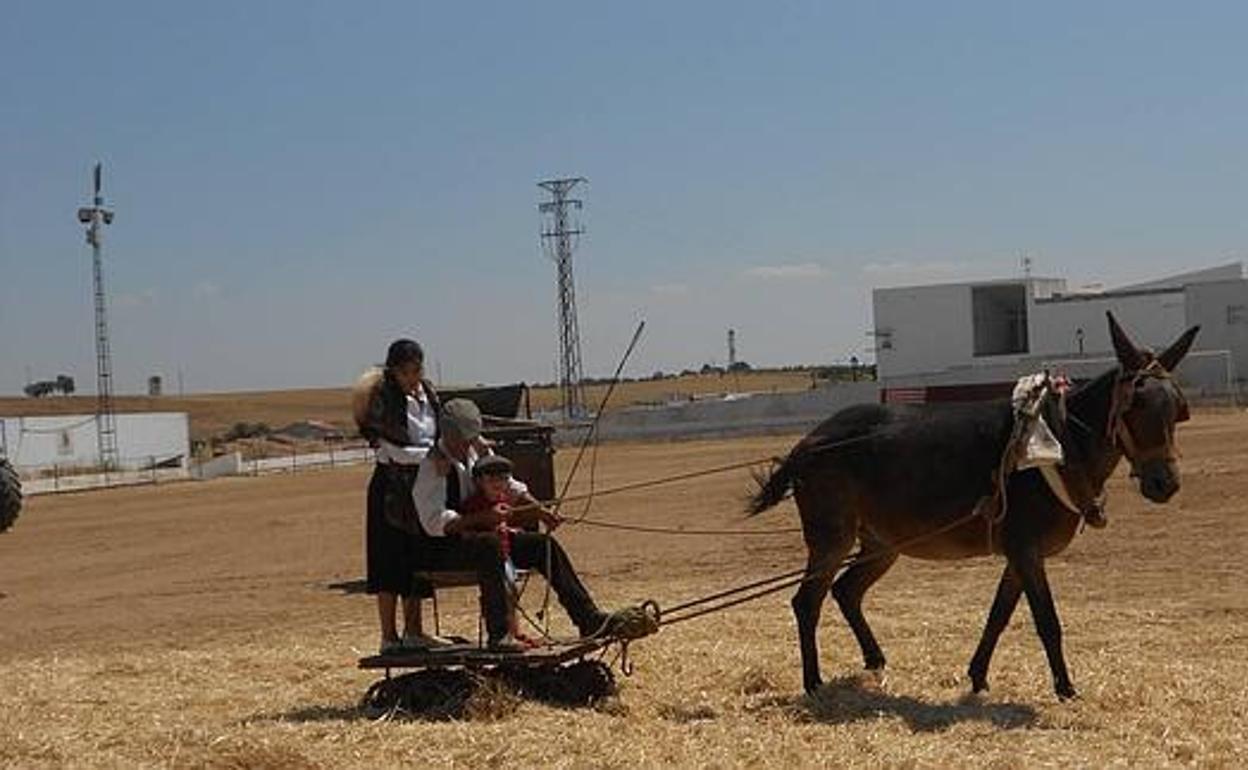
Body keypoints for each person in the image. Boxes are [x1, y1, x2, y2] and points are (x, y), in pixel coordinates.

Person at [412, 399, 649, 651]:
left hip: (487, 536)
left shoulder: (476, 452)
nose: (468, 444)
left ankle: (587, 618)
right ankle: (500, 635)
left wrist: (540, 510)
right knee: (489, 545)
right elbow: (433, 522)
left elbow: (510, 486)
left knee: (542, 545)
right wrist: (484, 518)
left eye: (472, 438)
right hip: (445, 548)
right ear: (447, 434)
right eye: (463, 440)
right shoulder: (431, 466)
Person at [355, 338, 446, 654]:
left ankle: (415, 630)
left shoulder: (430, 394)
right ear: (393, 372)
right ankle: (389, 636)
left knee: (417, 558)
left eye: (417, 370)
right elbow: (392, 451)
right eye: (405, 372)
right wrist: (433, 456)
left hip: (422, 488)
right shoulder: (383, 400)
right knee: (388, 559)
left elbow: (440, 432)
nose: (412, 377)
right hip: (391, 489)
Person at [459, 454, 552, 647]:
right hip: (489, 557)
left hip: (505, 553)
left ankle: (515, 632)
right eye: (491, 479)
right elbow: (467, 529)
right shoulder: (474, 505)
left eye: (502, 478)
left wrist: (509, 529)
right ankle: (504, 633)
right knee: (503, 591)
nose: (498, 483)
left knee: (512, 591)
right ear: (478, 481)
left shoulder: (503, 500)